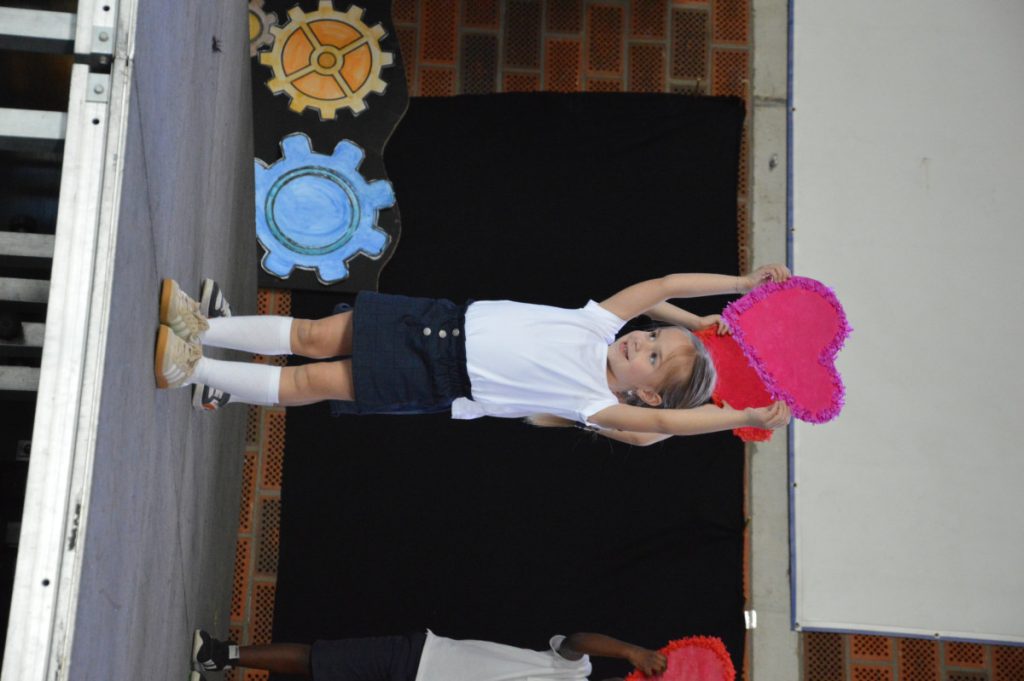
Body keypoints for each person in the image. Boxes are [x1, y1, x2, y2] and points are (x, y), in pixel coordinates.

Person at [155, 266, 792, 444]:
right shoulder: (599, 325)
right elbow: (666, 284)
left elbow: (666, 424)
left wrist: (741, 416)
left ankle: (194, 368)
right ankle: (202, 327)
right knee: (314, 335)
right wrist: (736, 288)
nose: (642, 341)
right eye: (653, 336)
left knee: (312, 382)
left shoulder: (593, 403)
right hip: (441, 322)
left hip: (438, 375)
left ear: (645, 393)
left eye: (652, 359)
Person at [190, 628, 668, 680]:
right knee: (320, 660)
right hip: (424, 660)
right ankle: (220, 655)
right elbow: (576, 640)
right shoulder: (575, 671)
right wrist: (632, 650)